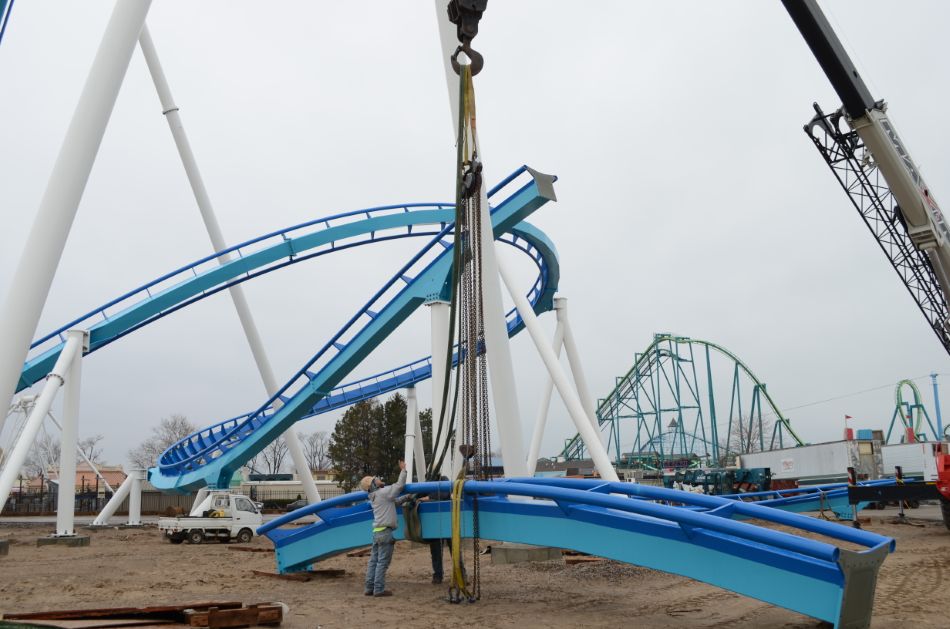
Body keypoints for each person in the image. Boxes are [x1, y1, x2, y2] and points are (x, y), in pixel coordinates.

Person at [360, 460, 409, 597]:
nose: (379, 479)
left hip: (377, 533)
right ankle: (379, 589)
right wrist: (403, 470)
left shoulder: (374, 496)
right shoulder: (383, 493)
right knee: (382, 562)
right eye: (376, 479)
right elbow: (399, 486)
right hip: (385, 533)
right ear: (374, 484)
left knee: (373, 561)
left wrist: (408, 497)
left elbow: (394, 502)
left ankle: (369, 588)